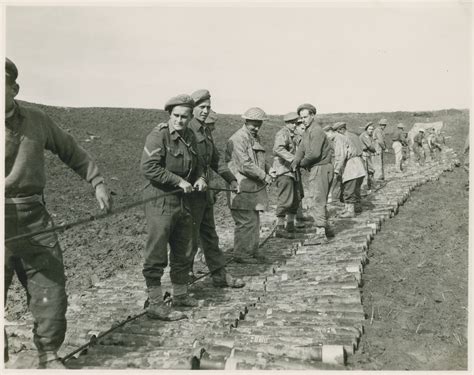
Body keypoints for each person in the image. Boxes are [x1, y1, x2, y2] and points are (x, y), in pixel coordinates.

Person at [4, 58, 112, 368]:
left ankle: (49, 354)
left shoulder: (37, 121)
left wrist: (98, 182)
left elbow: (71, 150)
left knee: (51, 287)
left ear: (14, 87)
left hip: (34, 216)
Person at [141, 94, 207, 320]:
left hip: (184, 201)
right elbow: (149, 168)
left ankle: (180, 295)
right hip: (161, 200)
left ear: (190, 117)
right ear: (169, 115)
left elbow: (198, 164)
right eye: (176, 116)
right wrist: (178, 181)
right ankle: (156, 303)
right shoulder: (158, 135)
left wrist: (200, 178)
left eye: (184, 117)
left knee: (185, 248)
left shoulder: (190, 136)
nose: (179, 120)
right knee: (157, 251)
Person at [188, 89, 244, 288]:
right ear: (192, 108)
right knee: (189, 239)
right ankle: (183, 281)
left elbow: (215, 161)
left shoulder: (204, 131)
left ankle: (219, 276)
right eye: (201, 107)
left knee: (210, 237)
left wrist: (231, 179)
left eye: (208, 108)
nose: (205, 111)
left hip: (205, 195)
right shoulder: (186, 130)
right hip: (188, 197)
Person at [225, 107, 274, 263]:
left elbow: (259, 159)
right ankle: (241, 254)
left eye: (259, 124)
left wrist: (269, 168)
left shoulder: (254, 137)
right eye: (254, 124)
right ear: (246, 121)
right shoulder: (238, 139)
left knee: (253, 219)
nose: (257, 127)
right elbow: (244, 165)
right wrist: (264, 175)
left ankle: (252, 250)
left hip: (251, 188)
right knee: (245, 221)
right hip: (241, 186)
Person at [292, 103, 333, 243]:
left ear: (313, 115)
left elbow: (314, 154)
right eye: (301, 117)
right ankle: (327, 228)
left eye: (305, 116)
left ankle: (321, 232)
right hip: (319, 167)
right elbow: (301, 149)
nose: (303, 120)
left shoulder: (316, 131)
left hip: (320, 167)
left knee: (317, 199)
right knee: (320, 198)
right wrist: (295, 161)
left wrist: (301, 163)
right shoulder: (307, 131)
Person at [272, 112, 302, 239]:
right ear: (287, 123)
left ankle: (290, 225)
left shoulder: (294, 135)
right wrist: (293, 159)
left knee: (295, 198)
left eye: (296, 123)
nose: (294, 125)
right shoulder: (282, 134)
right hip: (284, 171)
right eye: (292, 123)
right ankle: (279, 228)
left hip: (292, 171)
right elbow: (278, 149)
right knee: (285, 199)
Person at [332, 122, 366, 217]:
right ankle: (357, 207)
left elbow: (341, 155)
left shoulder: (340, 138)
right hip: (359, 162)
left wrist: (336, 169)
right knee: (356, 187)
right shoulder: (354, 136)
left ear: (339, 130)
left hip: (351, 164)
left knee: (349, 188)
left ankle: (350, 211)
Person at [359, 122, 376, 191]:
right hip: (364, 154)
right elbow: (369, 146)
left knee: (370, 170)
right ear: (366, 129)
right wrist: (375, 151)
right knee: (367, 170)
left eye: (372, 129)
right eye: (369, 129)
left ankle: (370, 185)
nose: (371, 131)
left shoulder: (369, 136)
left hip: (367, 153)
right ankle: (365, 187)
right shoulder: (364, 136)